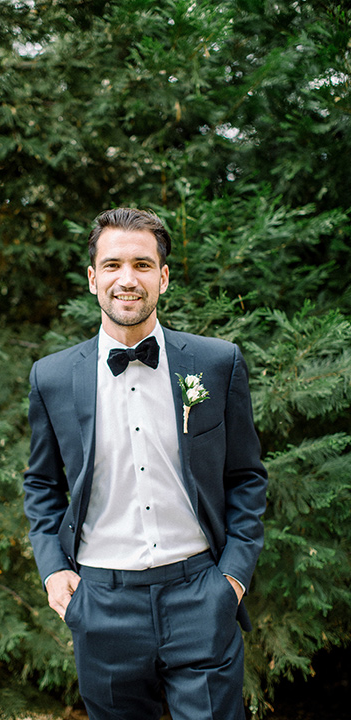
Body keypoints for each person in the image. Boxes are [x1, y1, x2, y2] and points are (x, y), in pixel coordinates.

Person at [23, 207, 267, 720]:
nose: (127, 280)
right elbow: (42, 484)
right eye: (112, 265)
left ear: (164, 276)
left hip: (202, 594)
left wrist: (233, 579)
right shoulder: (51, 377)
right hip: (102, 604)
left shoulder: (217, 362)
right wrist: (52, 573)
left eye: (141, 264)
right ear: (93, 279)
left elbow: (245, 476)